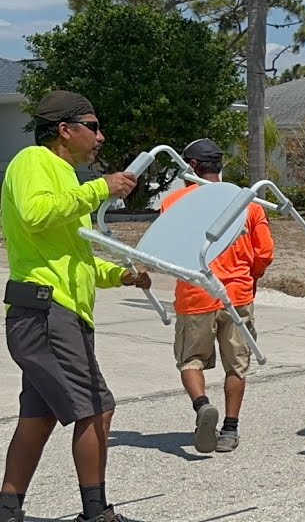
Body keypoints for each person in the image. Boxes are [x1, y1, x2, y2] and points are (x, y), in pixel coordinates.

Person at [1, 90, 153, 522]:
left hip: (55, 314)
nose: (100, 137)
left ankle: (7, 509)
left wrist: (121, 275)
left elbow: (76, 258)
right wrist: (100, 188)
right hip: (47, 312)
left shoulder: (66, 177)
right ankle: (97, 514)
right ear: (64, 130)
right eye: (93, 126)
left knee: (39, 416)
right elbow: (34, 213)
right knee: (97, 408)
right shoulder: (33, 161)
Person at [159, 138, 274, 454]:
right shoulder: (247, 203)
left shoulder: (175, 203)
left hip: (195, 295)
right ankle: (230, 429)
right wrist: (251, 278)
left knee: (189, 361)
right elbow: (265, 252)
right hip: (237, 296)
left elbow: (166, 249)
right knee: (236, 366)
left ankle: (202, 406)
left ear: (192, 166)